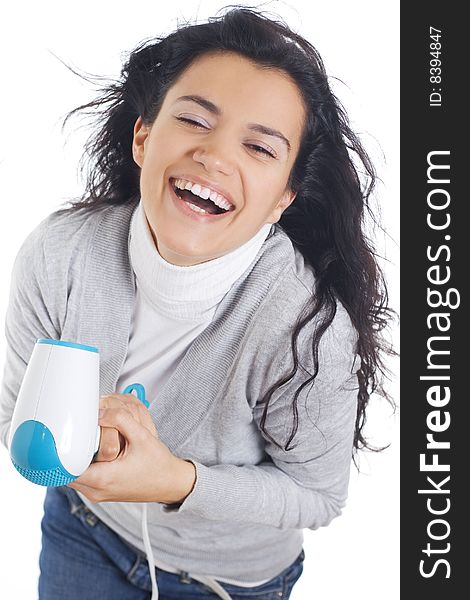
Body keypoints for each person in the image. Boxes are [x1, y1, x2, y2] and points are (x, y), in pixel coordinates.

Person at [0, 6, 393, 600]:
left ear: (283, 196)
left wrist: (175, 481)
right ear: (143, 135)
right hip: (85, 530)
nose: (215, 157)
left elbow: (317, 497)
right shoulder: (62, 253)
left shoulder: (304, 327)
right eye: (193, 119)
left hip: (228, 581)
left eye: (260, 148)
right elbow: (13, 417)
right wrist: (77, 457)